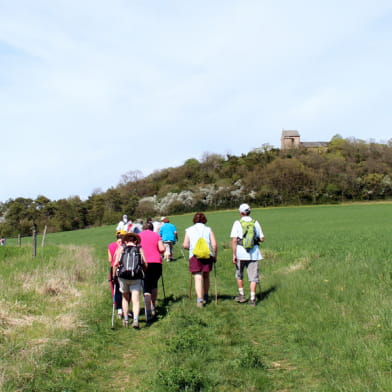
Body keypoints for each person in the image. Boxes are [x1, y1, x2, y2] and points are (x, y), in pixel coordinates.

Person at [230, 203, 264, 306]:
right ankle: (253, 299)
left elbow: (234, 240)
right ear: (249, 212)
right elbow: (262, 238)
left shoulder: (237, 223)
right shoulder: (255, 222)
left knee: (239, 275)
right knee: (253, 277)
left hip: (240, 253)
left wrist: (234, 255)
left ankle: (242, 295)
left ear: (240, 213)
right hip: (254, 253)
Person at [183, 212, 217, 308]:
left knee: (198, 277)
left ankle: (200, 299)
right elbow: (214, 244)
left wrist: (191, 248)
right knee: (206, 276)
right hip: (207, 255)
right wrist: (215, 256)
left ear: (194, 220)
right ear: (204, 220)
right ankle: (206, 295)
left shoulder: (189, 230)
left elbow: (185, 245)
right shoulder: (208, 229)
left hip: (194, 255)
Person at [113, 233, 146, 329]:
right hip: (136, 276)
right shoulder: (139, 249)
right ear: (136, 241)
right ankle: (135, 320)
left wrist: (114, 276)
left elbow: (115, 264)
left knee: (125, 298)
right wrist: (144, 272)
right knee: (135, 299)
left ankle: (126, 319)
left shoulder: (121, 248)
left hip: (123, 276)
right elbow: (145, 263)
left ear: (125, 241)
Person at [139, 222, 165, 321]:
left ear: (143, 228)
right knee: (154, 284)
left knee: (146, 286)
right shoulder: (156, 235)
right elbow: (162, 249)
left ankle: (148, 309)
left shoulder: (138, 236)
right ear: (152, 228)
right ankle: (153, 305)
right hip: (156, 262)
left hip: (143, 263)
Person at [108, 231, 125, 319]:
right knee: (126, 290)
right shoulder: (126, 245)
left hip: (114, 268)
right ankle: (126, 309)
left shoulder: (111, 245)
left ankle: (119, 309)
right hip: (125, 268)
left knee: (116, 289)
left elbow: (110, 260)